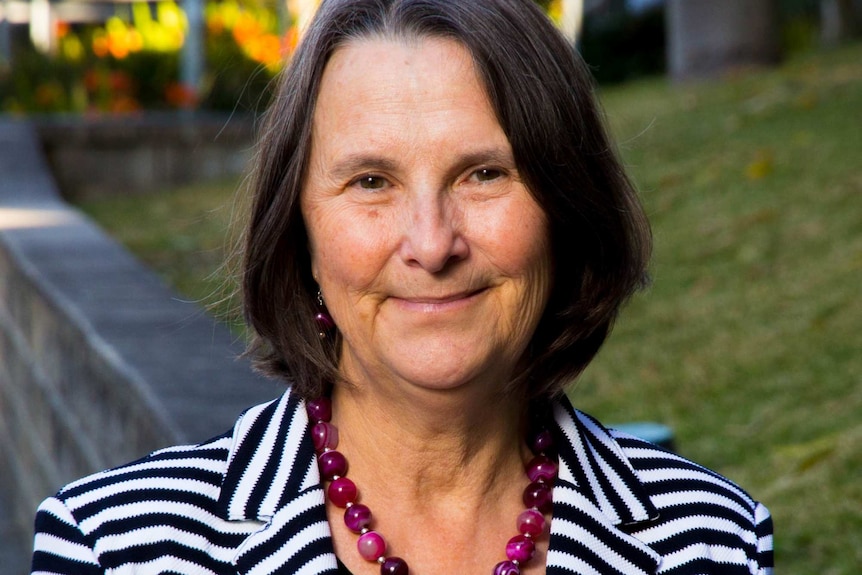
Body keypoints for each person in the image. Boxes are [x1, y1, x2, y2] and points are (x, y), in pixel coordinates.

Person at [31, 1, 774, 574]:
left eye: (485, 173)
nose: (431, 243)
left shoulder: (707, 539)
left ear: (565, 207)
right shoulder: (117, 545)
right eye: (371, 181)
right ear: (300, 232)